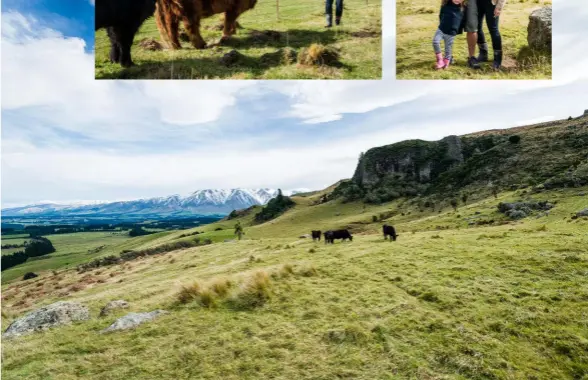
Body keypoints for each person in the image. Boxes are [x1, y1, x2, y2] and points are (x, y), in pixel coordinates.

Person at [432, 0, 465, 70]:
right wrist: (442, 24)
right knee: (435, 41)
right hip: (441, 29)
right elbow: (440, 16)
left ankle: (446, 63)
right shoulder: (445, 5)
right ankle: (440, 60)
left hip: (451, 33)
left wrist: (456, 31)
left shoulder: (462, 9)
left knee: (448, 48)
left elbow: (461, 22)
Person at [476, 0, 506, 70]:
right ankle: (483, 53)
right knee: (476, 27)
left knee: (493, 29)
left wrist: (499, 7)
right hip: (478, 2)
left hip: (491, 3)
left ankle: (497, 58)